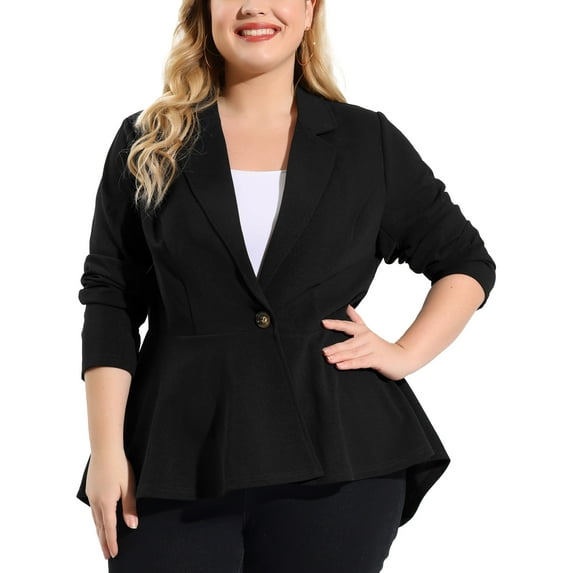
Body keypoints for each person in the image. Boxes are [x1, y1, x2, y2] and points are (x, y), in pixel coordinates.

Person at [75, 0, 496, 571]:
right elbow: (111, 296)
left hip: (340, 457)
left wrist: (404, 353)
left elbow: (465, 261)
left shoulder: (364, 140)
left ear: (309, 10)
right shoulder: (148, 140)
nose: (255, 6)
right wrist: (106, 451)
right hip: (174, 454)